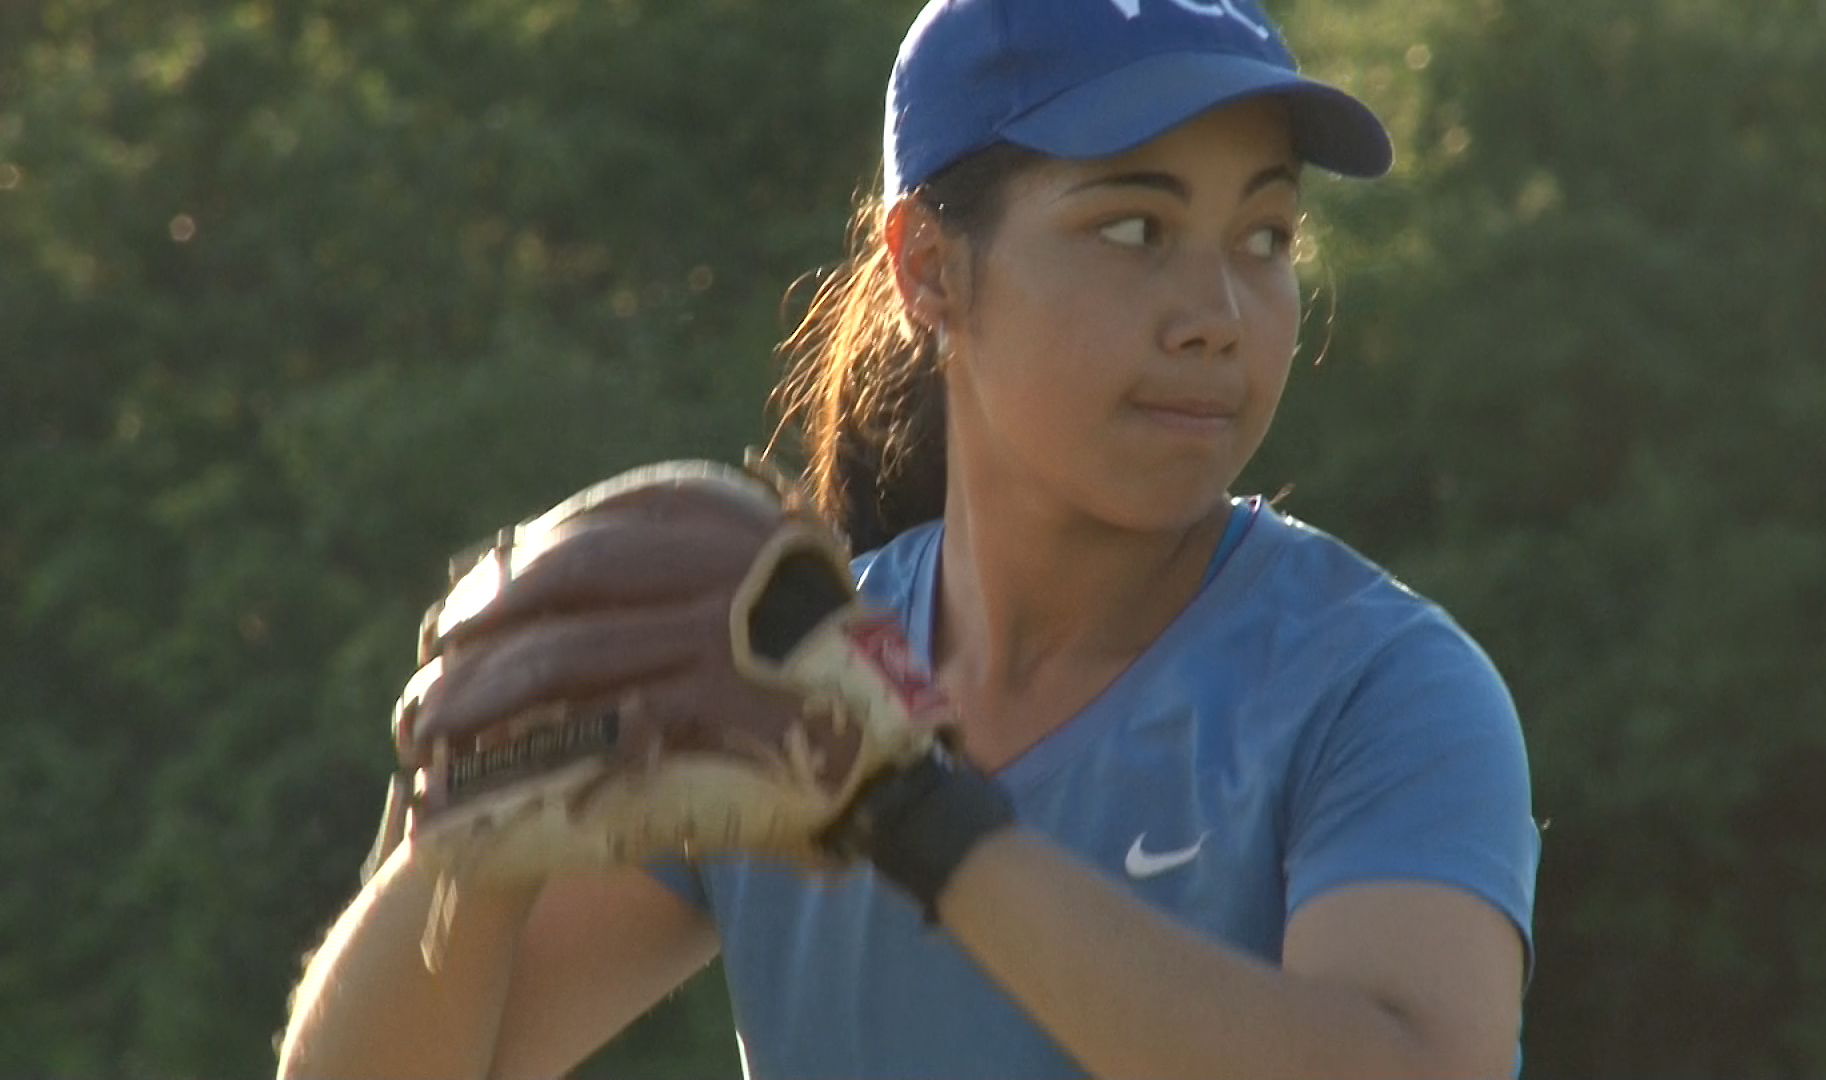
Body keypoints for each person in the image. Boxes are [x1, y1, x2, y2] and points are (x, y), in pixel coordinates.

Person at [277, 0, 1540, 1076]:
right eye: (1135, 229)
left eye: (1264, 238)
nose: (1217, 314)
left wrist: (915, 817)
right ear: (929, 270)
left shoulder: (1380, 689)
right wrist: (463, 856)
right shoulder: (772, 664)